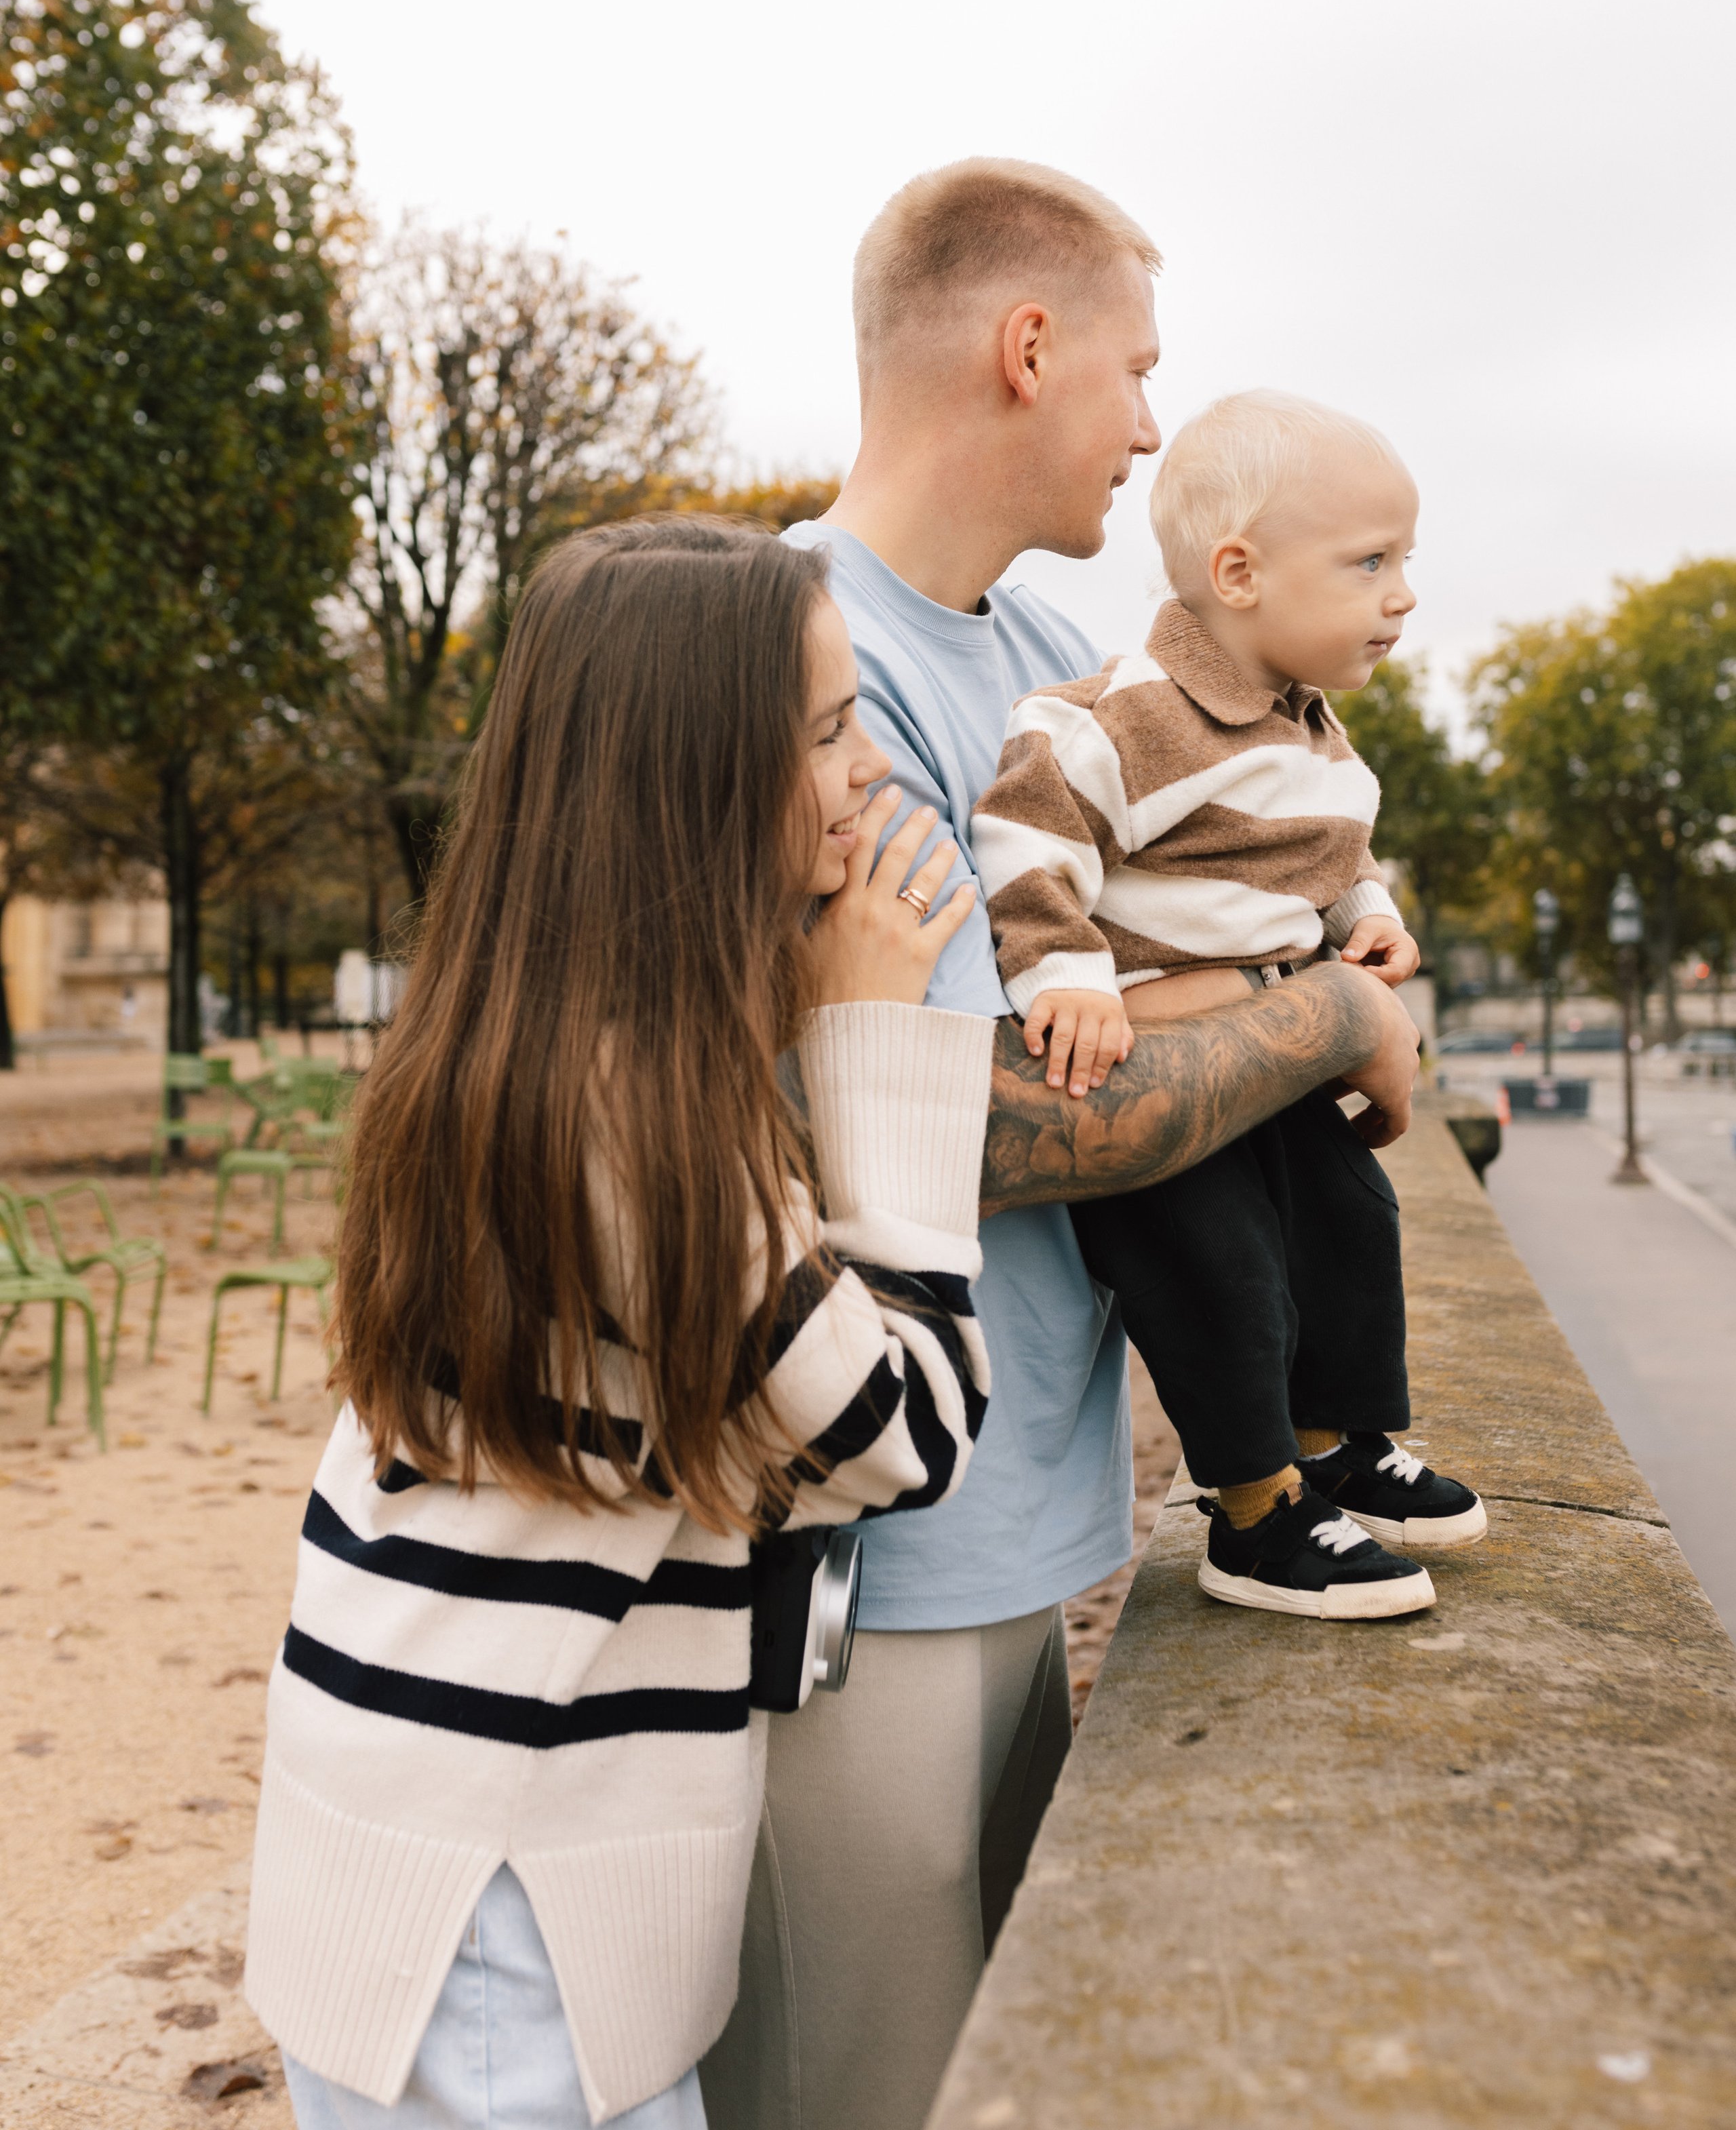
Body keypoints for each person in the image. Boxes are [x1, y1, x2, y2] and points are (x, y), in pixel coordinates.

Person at [699, 161, 1421, 2130]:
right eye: (1135, 369)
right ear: (1030, 351)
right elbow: (991, 1119)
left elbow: (1205, 872)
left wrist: (1344, 925)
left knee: (993, 2069)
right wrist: (1339, 1021)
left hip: (1040, 1513)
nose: (1156, 424)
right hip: (879, 1550)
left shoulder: (1044, 638)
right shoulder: (795, 663)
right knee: (864, 2084)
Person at [244, 519, 1000, 2130]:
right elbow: (905, 1431)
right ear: (695, 778)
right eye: (823, 730)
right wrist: (878, 1043)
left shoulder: (524, 1044)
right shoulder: (644, 1131)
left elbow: (744, 1438)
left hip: (426, 1832)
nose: (869, 771)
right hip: (504, 1919)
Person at [972, 389, 1486, 1625]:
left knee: (1352, 1219)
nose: (1402, 594)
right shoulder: (1125, 714)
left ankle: (1331, 1445)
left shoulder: (1315, 736)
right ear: (1239, 574)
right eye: (1371, 563)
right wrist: (1073, 981)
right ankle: (1253, 1514)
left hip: (1274, 1063)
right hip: (1157, 1073)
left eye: (1404, 561)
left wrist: (1369, 916)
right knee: (1220, 1277)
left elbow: (1329, 860)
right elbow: (1028, 841)